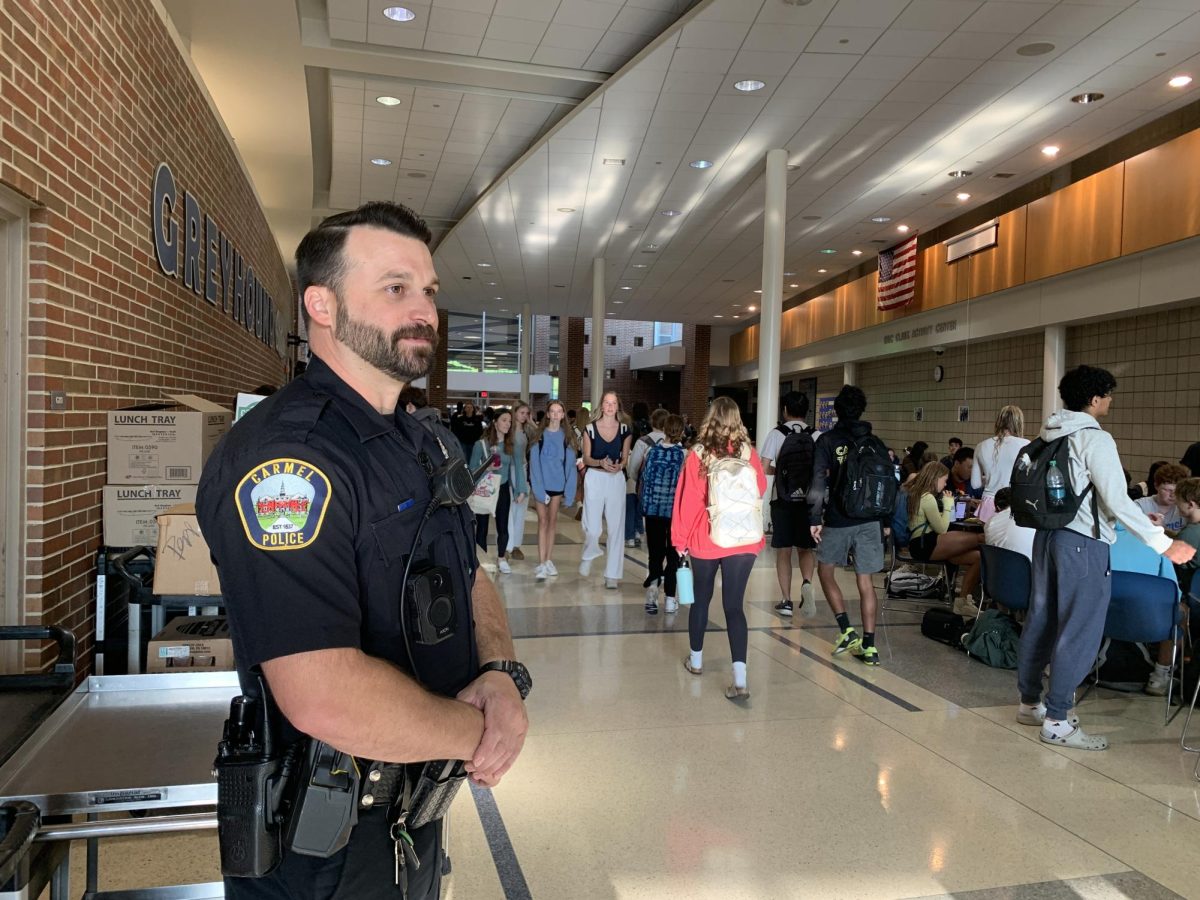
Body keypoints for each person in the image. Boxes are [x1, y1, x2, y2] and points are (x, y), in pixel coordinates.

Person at [197, 201, 529, 900]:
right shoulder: (288, 461)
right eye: (395, 287)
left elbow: (467, 572)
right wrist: (477, 733)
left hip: (414, 816)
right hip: (320, 846)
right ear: (321, 303)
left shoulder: (423, 440)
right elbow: (322, 695)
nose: (424, 309)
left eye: (429, 290)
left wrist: (498, 671)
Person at [1015, 365, 1194, 751]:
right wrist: (1164, 543)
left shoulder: (1050, 433)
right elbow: (1112, 496)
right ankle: (1059, 719)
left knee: (1042, 618)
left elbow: (1093, 497)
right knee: (1080, 627)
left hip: (1047, 538)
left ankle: (1031, 703)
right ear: (1095, 399)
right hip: (1083, 545)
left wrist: (1125, 515)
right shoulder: (1095, 439)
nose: (1111, 401)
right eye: (1108, 395)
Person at [673, 397, 767, 700]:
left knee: (701, 601)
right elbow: (761, 488)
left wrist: (680, 542)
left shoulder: (697, 454)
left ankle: (696, 661)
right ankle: (739, 677)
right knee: (734, 606)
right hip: (744, 539)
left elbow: (688, 502)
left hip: (707, 536)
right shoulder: (748, 452)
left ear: (709, 418)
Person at [809, 385, 890, 666]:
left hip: (839, 518)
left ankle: (846, 630)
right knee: (865, 581)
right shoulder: (875, 442)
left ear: (837, 410)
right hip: (871, 519)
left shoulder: (828, 441)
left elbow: (818, 482)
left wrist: (813, 519)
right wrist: (886, 521)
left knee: (825, 569)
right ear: (862, 410)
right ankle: (870, 647)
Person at [760, 390, 817, 618]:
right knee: (805, 548)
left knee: (783, 551)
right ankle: (807, 583)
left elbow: (763, 468)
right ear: (806, 411)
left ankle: (785, 601)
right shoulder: (816, 435)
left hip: (782, 500)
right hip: (809, 502)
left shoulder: (777, 434)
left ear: (785, 410)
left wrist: (782, 474)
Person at [905, 461, 985, 617]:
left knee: (978, 557)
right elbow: (942, 528)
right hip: (926, 543)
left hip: (922, 543)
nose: (945, 484)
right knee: (981, 538)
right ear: (935, 478)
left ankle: (962, 602)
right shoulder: (927, 497)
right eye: (944, 480)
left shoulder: (916, 493)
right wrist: (948, 504)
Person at [580, 391, 632, 589]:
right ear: (601, 406)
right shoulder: (589, 429)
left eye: (613, 403)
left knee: (616, 527)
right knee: (593, 526)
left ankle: (612, 574)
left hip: (615, 479)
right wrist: (599, 461)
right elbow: (585, 458)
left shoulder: (625, 430)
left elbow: (625, 457)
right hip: (594, 477)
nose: (610, 406)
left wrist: (621, 465)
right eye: (606, 403)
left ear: (617, 406)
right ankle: (589, 552)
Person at [470, 409, 527, 575]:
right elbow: (472, 469)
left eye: (510, 421)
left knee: (503, 526)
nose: (507, 424)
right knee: (482, 528)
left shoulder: (511, 445)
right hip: (485, 489)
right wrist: (487, 467)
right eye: (504, 420)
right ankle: (481, 559)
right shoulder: (481, 444)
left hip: (502, 488)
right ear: (495, 422)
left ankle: (502, 558)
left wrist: (520, 490)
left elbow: (518, 469)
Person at [640, 414, 685, 614]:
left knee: (655, 554)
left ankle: (651, 595)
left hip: (652, 510)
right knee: (673, 556)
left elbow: (642, 477)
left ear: (664, 430)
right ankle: (669, 599)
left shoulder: (651, 451)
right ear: (682, 431)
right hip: (675, 513)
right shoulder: (685, 454)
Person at [528, 400, 578, 581]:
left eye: (559, 411)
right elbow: (534, 465)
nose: (556, 415)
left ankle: (548, 559)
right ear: (547, 414)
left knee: (552, 521)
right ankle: (541, 562)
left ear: (563, 415)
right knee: (542, 521)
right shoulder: (538, 437)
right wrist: (539, 490)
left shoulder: (567, 438)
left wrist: (570, 493)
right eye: (552, 411)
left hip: (558, 486)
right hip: (541, 485)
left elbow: (571, 467)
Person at [972, 405, 1029, 522]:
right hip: (1014, 504)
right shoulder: (1026, 445)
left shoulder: (981, 446)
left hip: (988, 504)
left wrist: (991, 478)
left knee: (985, 539)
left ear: (998, 422)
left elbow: (975, 484)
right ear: (1019, 423)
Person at [506, 402, 537, 561]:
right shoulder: (507, 431)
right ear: (515, 412)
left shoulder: (527, 431)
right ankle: (506, 545)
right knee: (508, 511)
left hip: (523, 470)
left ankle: (516, 545)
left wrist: (532, 422)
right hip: (508, 471)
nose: (525, 416)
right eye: (522, 413)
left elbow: (540, 438)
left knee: (520, 510)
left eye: (527, 413)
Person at [624, 402, 655, 548]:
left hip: (634, 467)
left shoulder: (631, 427)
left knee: (630, 504)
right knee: (640, 504)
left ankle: (629, 536)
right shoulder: (650, 428)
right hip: (648, 474)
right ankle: (638, 531)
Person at [1135, 462, 1189, 533]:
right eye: (1167, 490)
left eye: (1177, 490)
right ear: (1156, 486)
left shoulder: (1185, 508)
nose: (1173, 495)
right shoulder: (1140, 506)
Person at [983, 487, 1035, 560]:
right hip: (1029, 568)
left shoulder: (990, 522)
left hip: (997, 568)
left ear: (997, 507)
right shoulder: (1032, 519)